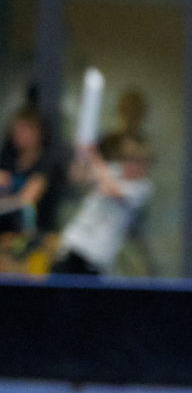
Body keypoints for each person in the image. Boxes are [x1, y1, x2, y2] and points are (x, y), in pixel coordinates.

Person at [48, 137, 154, 276]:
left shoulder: (141, 188)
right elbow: (78, 176)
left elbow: (110, 189)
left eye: (139, 164)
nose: (134, 168)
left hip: (96, 255)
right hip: (73, 243)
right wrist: (81, 157)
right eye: (130, 161)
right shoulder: (112, 170)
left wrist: (93, 155)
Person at [0, 103, 71, 244]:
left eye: (25, 129)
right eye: (16, 129)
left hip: (36, 232)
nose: (18, 134)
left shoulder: (47, 161)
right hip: (6, 228)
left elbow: (28, 199)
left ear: (38, 132)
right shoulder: (7, 156)